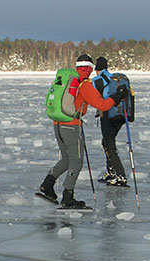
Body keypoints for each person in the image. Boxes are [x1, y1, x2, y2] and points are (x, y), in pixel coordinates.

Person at [38, 54, 130, 209]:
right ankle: (68, 196)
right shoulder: (83, 84)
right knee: (76, 161)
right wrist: (118, 96)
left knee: (66, 159)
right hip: (71, 126)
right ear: (89, 68)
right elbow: (102, 105)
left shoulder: (68, 80)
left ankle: (47, 185)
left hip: (58, 123)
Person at [92, 56, 132, 187]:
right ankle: (111, 172)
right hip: (120, 115)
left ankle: (120, 176)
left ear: (97, 69)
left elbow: (93, 97)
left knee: (109, 145)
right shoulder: (114, 78)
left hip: (108, 114)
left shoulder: (96, 80)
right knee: (107, 142)